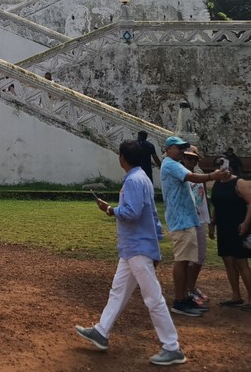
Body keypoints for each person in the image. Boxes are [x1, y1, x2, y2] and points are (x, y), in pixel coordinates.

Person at [74, 140, 186, 366]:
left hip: (137, 247)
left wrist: (109, 210)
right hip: (133, 247)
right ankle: (102, 331)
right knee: (118, 291)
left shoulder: (134, 181)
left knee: (153, 297)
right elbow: (151, 215)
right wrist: (155, 246)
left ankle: (172, 347)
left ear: (121, 158)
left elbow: (132, 213)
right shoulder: (141, 178)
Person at [160, 136, 229, 317]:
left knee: (186, 260)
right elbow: (191, 177)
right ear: (168, 149)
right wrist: (212, 176)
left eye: (184, 148)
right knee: (182, 261)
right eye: (179, 148)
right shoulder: (170, 164)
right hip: (181, 220)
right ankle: (179, 300)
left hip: (187, 219)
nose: (182, 152)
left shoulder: (175, 164)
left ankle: (184, 297)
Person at [210, 155, 251, 311]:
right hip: (224, 227)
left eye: (223, 164)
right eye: (218, 165)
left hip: (239, 227)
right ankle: (236, 295)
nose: (221, 167)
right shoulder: (217, 183)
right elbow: (216, 205)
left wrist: (246, 223)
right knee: (228, 262)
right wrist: (212, 224)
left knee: (241, 262)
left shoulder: (238, 182)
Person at [181, 145, 211, 306]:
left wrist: (210, 221)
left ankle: (191, 287)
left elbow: (205, 198)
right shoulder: (180, 176)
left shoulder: (199, 176)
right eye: (188, 158)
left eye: (194, 158)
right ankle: (186, 290)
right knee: (188, 259)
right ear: (183, 159)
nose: (190, 160)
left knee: (199, 258)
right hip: (186, 222)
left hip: (199, 220)